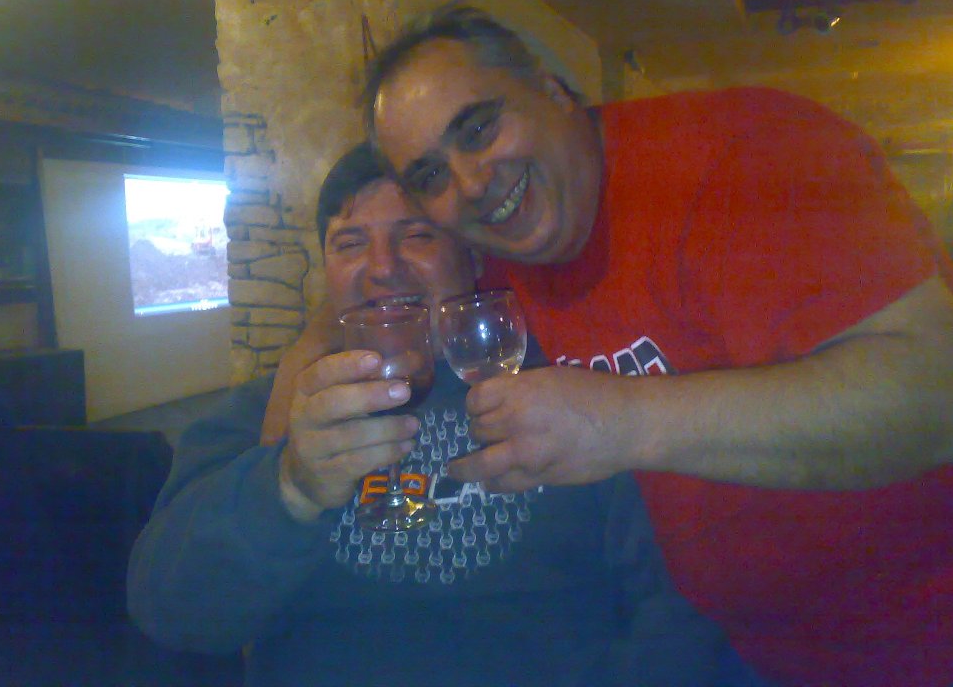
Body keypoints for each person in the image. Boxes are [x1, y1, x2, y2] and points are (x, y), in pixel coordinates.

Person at [362, 4, 953, 687]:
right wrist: (301, 445)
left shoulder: (748, 153)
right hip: (756, 651)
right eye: (430, 177)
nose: (471, 183)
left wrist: (625, 420)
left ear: (552, 88)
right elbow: (368, 275)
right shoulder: (495, 260)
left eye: (479, 128)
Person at [127, 143, 767, 687]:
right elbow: (171, 612)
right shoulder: (262, 415)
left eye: (417, 235)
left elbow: (682, 601)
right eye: (350, 243)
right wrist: (290, 486)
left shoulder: (570, 394)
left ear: (473, 258)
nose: (383, 268)